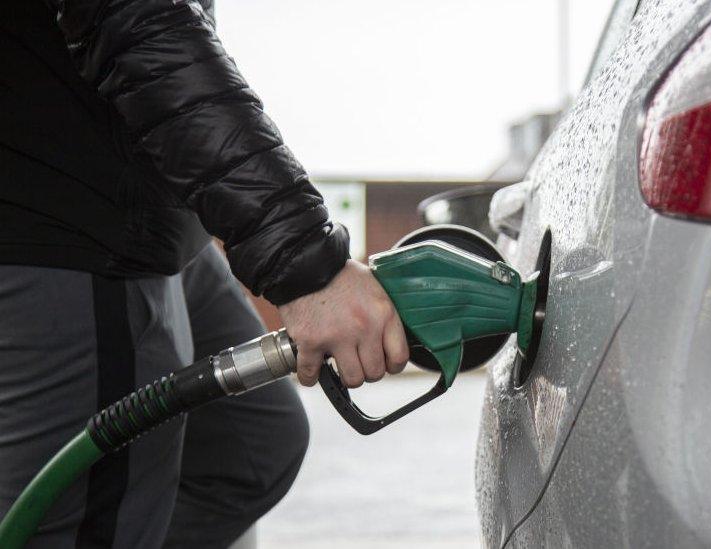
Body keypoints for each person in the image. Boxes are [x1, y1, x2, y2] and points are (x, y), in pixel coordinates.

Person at [0, 0, 411, 547]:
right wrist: (306, 265)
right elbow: (141, 23)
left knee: (251, 451)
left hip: (156, 225)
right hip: (65, 232)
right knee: (82, 520)